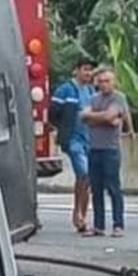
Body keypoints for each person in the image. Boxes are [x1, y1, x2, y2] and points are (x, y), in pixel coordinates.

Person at [80, 67, 134, 237]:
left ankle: (118, 225)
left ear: (114, 82)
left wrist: (95, 118)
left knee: (113, 188)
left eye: (107, 81)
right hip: (94, 148)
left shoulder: (119, 98)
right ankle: (99, 226)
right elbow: (84, 116)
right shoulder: (93, 98)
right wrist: (102, 119)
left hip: (110, 149)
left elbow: (113, 116)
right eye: (101, 81)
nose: (104, 84)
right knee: (96, 189)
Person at [50, 58, 97, 232]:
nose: (88, 73)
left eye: (90, 70)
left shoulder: (91, 91)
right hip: (73, 139)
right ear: (76, 71)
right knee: (83, 173)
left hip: (89, 139)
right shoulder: (65, 90)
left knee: (86, 178)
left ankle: (81, 213)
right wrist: (62, 129)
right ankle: (79, 215)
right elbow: (53, 112)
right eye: (85, 69)